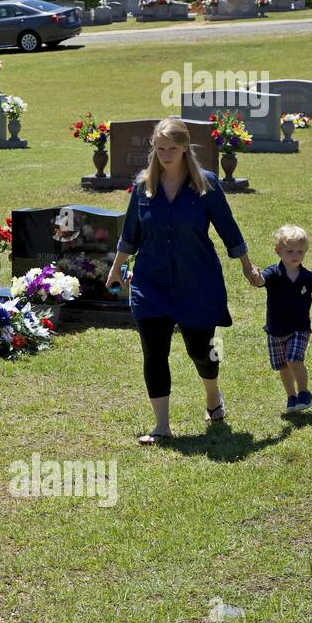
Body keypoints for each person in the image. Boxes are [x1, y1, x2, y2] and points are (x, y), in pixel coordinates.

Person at [106, 118, 262, 445]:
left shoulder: (205, 185)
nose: (165, 154)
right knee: (154, 352)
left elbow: (228, 229)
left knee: (201, 351)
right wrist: (116, 268)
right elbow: (131, 233)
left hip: (197, 280)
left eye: (171, 148)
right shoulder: (143, 186)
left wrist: (247, 266)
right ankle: (161, 425)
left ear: (185, 148)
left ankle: (212, 396)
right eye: (159, 148)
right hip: (151, 281)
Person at [251, 224, 312, 412]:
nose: (295, 255)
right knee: (283, 366)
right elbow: (261, 282)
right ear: (278, 251)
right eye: (290, 251)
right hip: (275, 329)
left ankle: (304, 393)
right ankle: (291, 397)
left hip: (300, 328)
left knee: (293, 359)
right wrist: (257, 276)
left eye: (300, 251)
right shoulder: (273, 273)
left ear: (305, 251)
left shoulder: (308, 278)